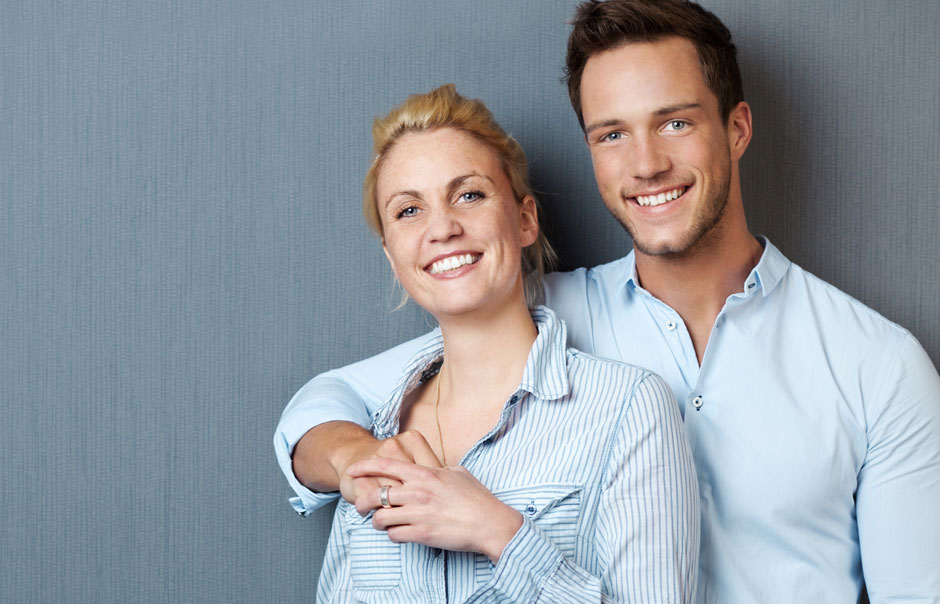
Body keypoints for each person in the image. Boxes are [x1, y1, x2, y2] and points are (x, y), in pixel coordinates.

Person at [275, 1, 940, 603]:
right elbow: (327, 403)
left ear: (736, 129)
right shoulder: (544, 315)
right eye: (612, 134)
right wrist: (349, 455)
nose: (645, 163)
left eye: (675, 122)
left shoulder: (877, 365)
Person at [313, 83, 698, 603]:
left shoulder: (627, 410)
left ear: (524, 220)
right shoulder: (379, 435)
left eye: (468, 195)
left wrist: (499, 532)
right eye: (409, 210)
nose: (443, 228)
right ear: (391, 254)